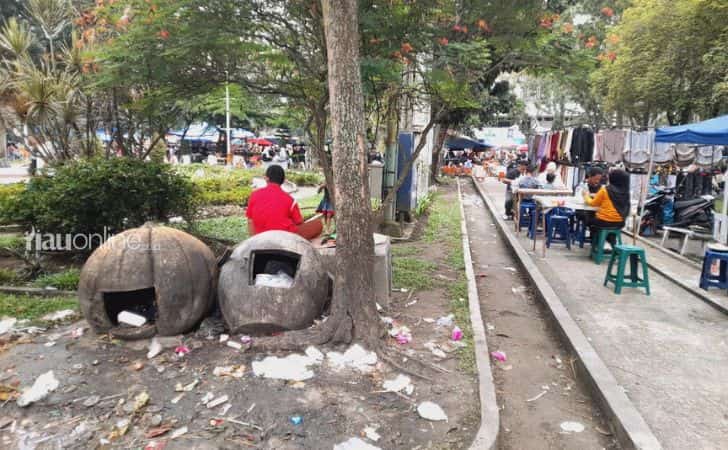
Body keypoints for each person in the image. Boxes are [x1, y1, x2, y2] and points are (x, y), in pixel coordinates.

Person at [246, 165, 322, 240]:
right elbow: (299, 222)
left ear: (266, 178)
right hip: (286, 237)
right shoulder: (290, 200)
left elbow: (250, 221)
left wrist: (254, 239)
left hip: (260, 237)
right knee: (318, 224)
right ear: (283, 180)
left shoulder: (254, 195)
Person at [582, 168, 630, 247]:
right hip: (620, 223)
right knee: (609, 225)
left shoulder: (605, 190)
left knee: (589, 219)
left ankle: (597, 242)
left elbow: (592, 203)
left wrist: (585, 196)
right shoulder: (626, 192)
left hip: (604, 221)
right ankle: (611, 241)